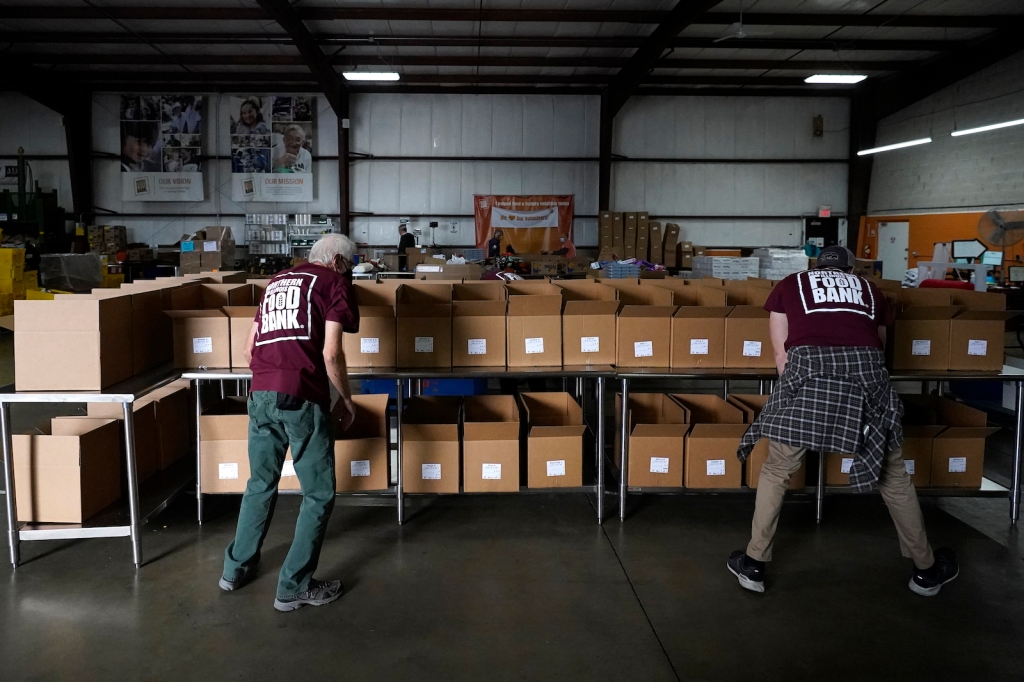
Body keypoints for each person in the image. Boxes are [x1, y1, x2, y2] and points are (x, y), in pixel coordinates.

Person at [728, 245, 959, 597]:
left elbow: (781, 353)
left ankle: (754, 564)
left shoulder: (792, 284)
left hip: (809, 376)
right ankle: (926, 572)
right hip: (866, 381)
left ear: (816, 266)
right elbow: (878, 347)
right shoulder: (871, 290)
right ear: (851, 270)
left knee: (778, 470)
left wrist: (794, 398)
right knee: (894, 477)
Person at [220, 233, 360, 613]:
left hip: (260, 393)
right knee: (317, 494)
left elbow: (249, 349)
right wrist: (346, 399)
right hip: (301, 396)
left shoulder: (277, 282)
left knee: (260, 483)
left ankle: (235, 570)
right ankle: (293, 587)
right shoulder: (334, 284)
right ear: (339, 262)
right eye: (352, 266)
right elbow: (332, 353)